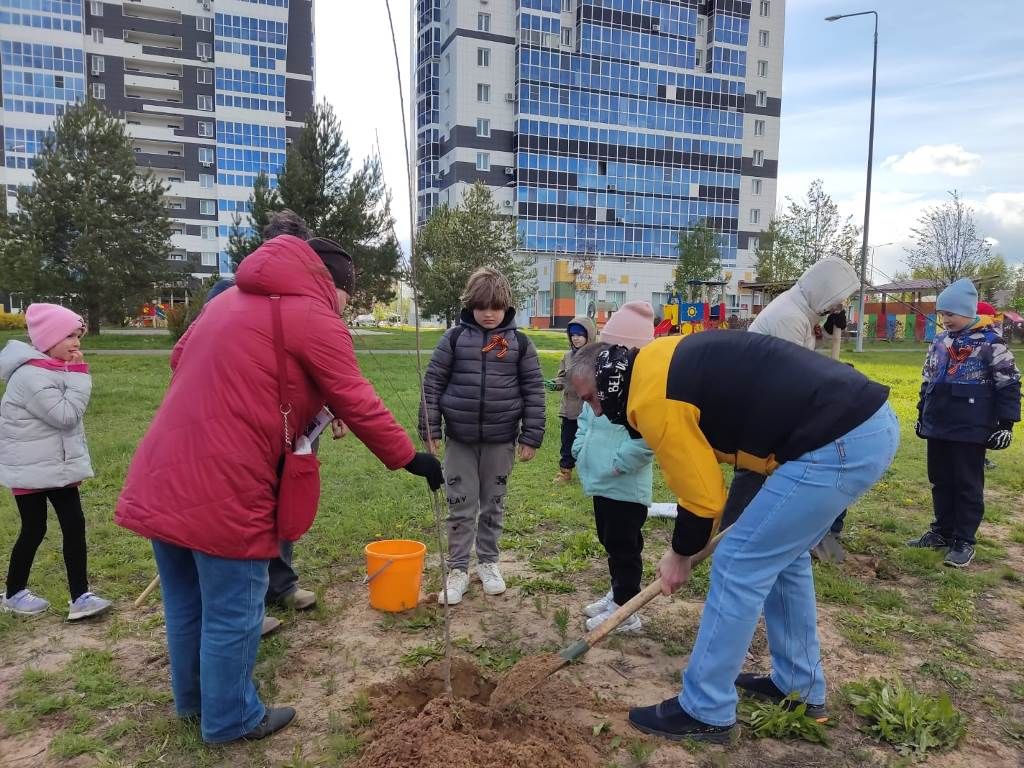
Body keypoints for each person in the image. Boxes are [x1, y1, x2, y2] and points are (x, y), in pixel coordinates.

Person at [115, 235, 442, 744]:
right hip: (228, 481)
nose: (345, 308)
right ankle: (231, 720)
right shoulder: (313, 316)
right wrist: (408, 458)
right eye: (348, 298)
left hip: (163, 467)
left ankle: (195, 703)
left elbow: (180, 358)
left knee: (186, 602)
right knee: (235, 607)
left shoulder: (225, 302)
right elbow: (356, 398)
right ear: (331, 286)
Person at [568, 331, 899, 743]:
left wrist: (680, 555)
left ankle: (705, 709)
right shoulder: (652, 364)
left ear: (606, 380)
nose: (595, 412)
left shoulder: (651, 399)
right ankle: (798, 686)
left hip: (836, 442)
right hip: (863, 428)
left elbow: (704, 500)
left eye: (590, 398)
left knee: (738, 561)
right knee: (784, 559)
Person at [205, 211, 326, 636]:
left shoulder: (305, 300)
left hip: (293, 426)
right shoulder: (227, 292)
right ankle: (248, 604)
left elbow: (319, 361)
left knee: (286, 502)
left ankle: (282, 584)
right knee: (250, 512)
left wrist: (331, 408)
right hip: (244, 427)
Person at [419, 267, 545, 605]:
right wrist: (430, 429)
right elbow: (432, 385)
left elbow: (534, 390)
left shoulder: (519, 343)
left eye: (496, 307)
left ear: (507, 308)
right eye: (481, 306)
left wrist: (531, 436)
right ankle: (458, 569)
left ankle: (488, 561)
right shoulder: (453, 339)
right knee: (460, 504)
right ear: (470, 306)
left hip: (501, 442)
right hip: (459, 441)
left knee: (493, 505)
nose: (489, 314)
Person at [722, 257, 860, 563]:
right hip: (764, 400)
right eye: (837, 299)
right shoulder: (790, 315)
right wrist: (831, 372)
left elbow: (800, 360)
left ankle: (776, 533)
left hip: (774, 397)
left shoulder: (800, 308)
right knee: (755, 466)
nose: (838, 305)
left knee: (770, 468)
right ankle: (731, 533)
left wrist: (825, 332)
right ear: (823, 289)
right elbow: (796, 369)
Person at [0, 304, 113, 621]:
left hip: (56, 468)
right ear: (47, 339)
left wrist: (71, 375)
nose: (76, 343)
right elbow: (64, 416)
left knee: (74, 527)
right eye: (69, 336)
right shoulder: (30, 376)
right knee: (34, 529)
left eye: (78, 335)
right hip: (31, 471)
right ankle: (14, 593)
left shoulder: (50, 369)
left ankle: (81, 596)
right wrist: (80, 377)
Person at [907, 279, 1020, 568]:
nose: (945, 320)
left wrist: (1006, 425)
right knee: (940, 480)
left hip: (971, 428)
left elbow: (1008, 384)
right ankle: (942, 532)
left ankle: (964, 540)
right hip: (938, 423)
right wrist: (922, 415)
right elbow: (928, 378)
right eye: (942, 314)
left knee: (967, 484)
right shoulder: (940, 341)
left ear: (968, 311)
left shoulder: (991, 343)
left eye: (951, 314)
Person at [572, 301, 656, 634]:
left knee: (625, 547)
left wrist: (619, 463)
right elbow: (584, 421)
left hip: (625, 487)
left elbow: (648, 441)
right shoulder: (599, 385)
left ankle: (627, 610)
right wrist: (579, 449)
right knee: (609, 541)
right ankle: (619, 593)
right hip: (600, 483)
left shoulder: (640, 393)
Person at [546, 314, 598, 483]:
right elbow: (561, 378)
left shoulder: (597, 355)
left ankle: (592, 473)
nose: (575, 338)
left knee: (590, 443)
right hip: (569, 408)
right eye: (573, 335)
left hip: (589, 409)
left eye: (579, 335)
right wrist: (555, 383)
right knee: (567, 441)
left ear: (588, 335)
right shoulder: (567, 357)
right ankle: (565, 471)